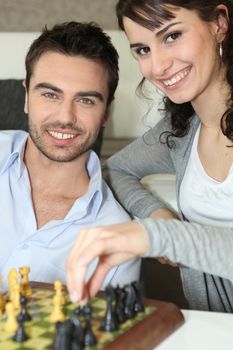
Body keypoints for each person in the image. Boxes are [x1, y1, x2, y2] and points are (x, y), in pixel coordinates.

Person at [66, 1, 233, 312]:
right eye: (142, 49)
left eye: (172, 36)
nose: (158, 66)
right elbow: (116, 170)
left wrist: (161, 235)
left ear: (219, 23)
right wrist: (157, 214)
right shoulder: (179, 131)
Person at [0, 21, 141, 292]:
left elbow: (111, 333)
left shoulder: (116, 236)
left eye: (85, 100)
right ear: (27, 96)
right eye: (51, 94)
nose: (65, 117)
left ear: (106, 113)